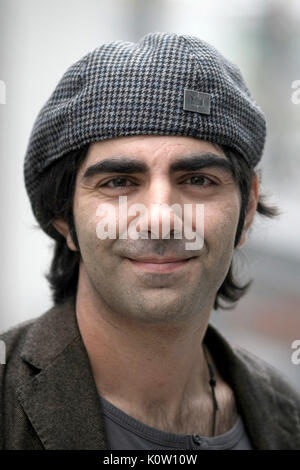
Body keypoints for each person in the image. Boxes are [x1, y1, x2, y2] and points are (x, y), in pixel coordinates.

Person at [1, 32, 299, 451]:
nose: (160, 219)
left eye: (197, 180)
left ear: (247, 207)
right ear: (64, 216)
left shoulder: (286, 415)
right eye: (119, 182)